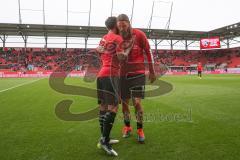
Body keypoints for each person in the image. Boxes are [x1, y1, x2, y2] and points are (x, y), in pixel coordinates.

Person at [116, 14, 156, 143]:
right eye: (119, 25)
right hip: (122, 74)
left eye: (124, 25)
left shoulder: (139, 34)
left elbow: (148, 51)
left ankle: (140, 130)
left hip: (138, 73)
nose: (122, 28)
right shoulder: (117, 37)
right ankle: (127, 127)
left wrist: (152, 70)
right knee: (124, 104)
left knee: (137, 102)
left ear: (129, 23)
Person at [95, 16, 131, 156]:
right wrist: (127, 51)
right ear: (116, 25)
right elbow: (121, 57)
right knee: (113, 107)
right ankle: (104, 141)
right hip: (112, 75)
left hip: (101, 74)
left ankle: (104, 137)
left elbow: (99, 51)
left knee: (103, 107)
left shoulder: (104, 38)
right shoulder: (117, 38)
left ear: (106, 27)